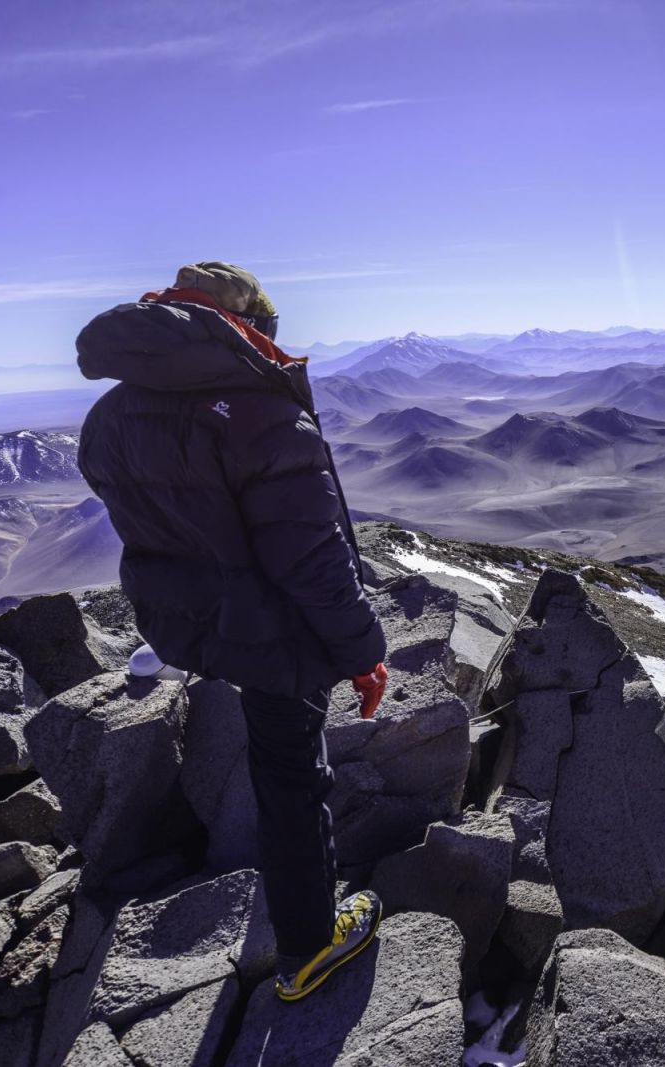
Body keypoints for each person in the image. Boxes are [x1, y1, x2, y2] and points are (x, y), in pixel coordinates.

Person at [75, 261, 390, 1002]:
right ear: (242, 326)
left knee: (275, 753)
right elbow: (312, 557)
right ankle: (309, 947)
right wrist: (363, 652)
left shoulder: (109, 414)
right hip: (274, 630)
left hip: (189, 619)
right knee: (292, 777)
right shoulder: (262, 413)